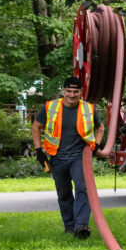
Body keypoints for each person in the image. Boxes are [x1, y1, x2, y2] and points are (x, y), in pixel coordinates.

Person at [31, 76, 105, 239]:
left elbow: (100, 128)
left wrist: (97, 144)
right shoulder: (50, 107)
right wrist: (38, 150)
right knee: (63, 192)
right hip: (57, 157)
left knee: (82, 189)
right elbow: (36, 127)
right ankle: (69, 227)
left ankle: (81, 227)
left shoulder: (88, 109)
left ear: (81, 92)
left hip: (79, 156)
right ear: (63, 91)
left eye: (75, 91)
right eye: (69, 91)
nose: (72, 95)